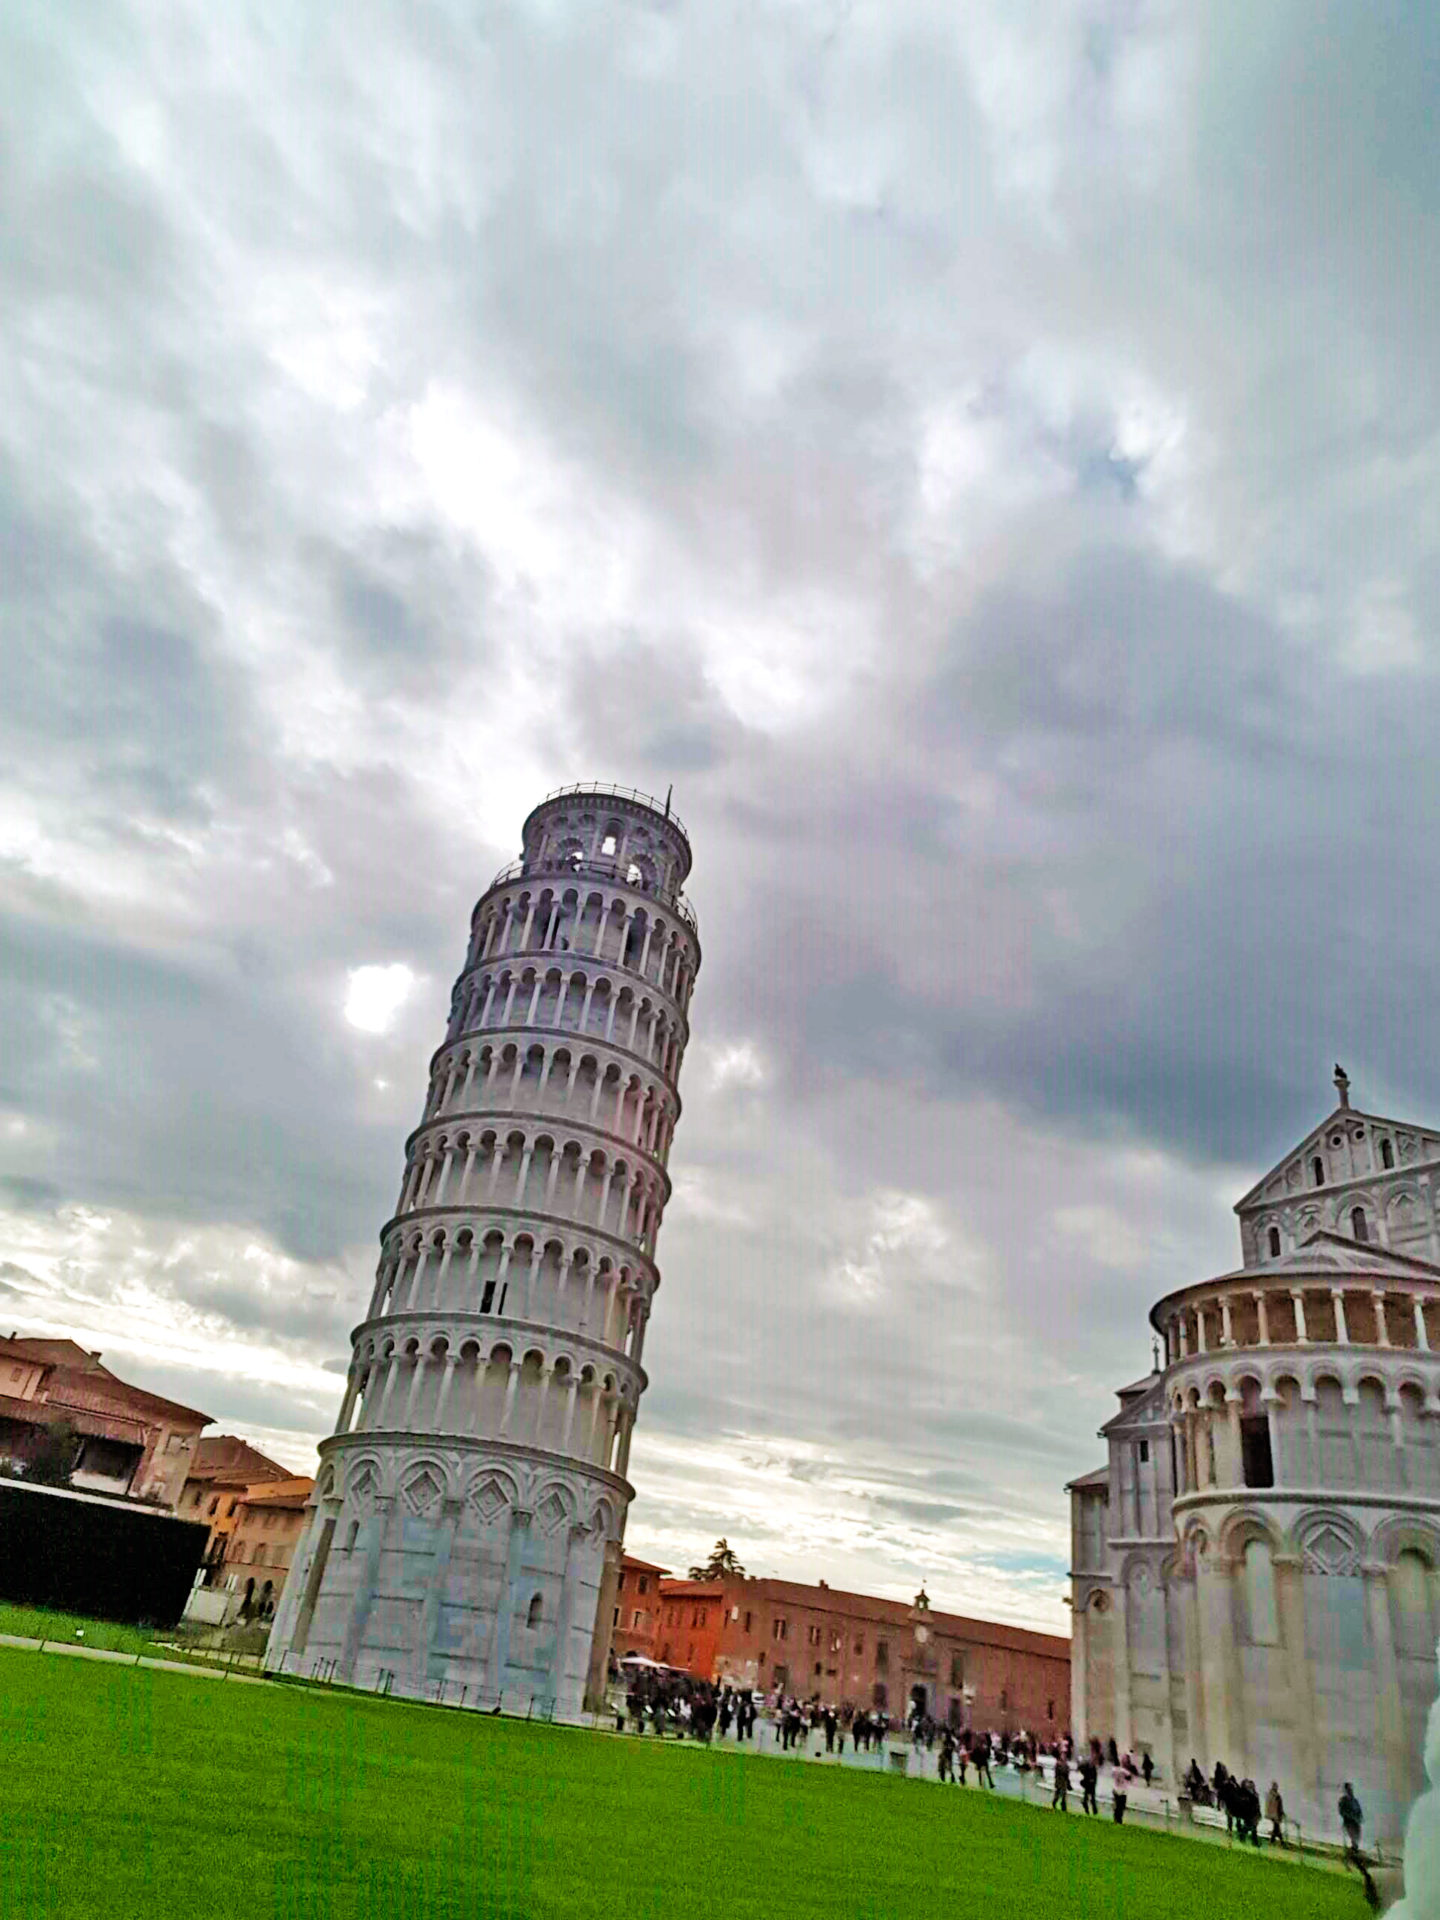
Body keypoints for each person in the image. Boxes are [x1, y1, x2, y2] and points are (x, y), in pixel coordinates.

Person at [1339, 1783, 1364, 1854]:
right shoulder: (1343, 1800)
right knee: (1353, 1835)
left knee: (1357, 1835)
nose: (1350, 1791)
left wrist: (1360, 1817)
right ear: (1346, 1790)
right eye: (1349, 1789)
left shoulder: (1355, 1800)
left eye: (1351, 1789)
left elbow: (1359, 1810)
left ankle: (1355, 1848)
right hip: (1349, 1822)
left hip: (1355, 1821)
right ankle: (1354, 1849)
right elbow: (1342, 1811)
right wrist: (1350, 1816)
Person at [1265, 1781, 1286, 1847]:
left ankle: (1273, 1841)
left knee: (1276, 1828)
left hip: (1276, 1815)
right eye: (1275, 1786)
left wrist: (1282, 1812)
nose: (1276, 1787)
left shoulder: (1275, 1795)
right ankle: (1280, 1842)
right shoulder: (1273, 1795)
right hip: (1274, 1815)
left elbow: (1279, 1805)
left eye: (1276, 1786)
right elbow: (1272, 1806)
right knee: (1276, 1828)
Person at [1112, 1758, 1131, 1824]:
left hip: (1115, 1789)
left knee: (1116, 1805)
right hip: (1123, 1790)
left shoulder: (1113, 1770)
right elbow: (1129, 1776)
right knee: (1121, 1806)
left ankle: (1115, 1819)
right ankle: (1119, 1819)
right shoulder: (1123, 1771)